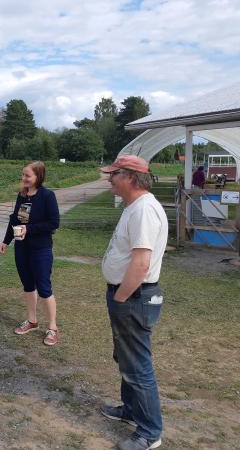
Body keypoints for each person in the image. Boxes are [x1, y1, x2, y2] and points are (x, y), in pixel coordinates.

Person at [100, 155, 168, 450]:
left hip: (133, 297)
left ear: (129, 177)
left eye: (113, 174)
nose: (109, 179)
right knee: (126, 358)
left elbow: (141, 263)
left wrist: (121, 297)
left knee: (137, 366)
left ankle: (150, 432)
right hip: (129, 296)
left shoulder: (144, 210)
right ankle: (131, 410)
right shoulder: (135, 206)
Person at [0, 161, 60, 346]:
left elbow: (54, 223)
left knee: (44, 288)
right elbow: (15, 220)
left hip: (41, 249)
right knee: (28, 286)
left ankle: (53, 328)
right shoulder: (22, 195)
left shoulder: (47, 196)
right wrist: (6, 240)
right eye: (23, 174)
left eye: (27, 175)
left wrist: (29, 229)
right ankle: (32, 321)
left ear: (38, 177)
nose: (23, 178)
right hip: (22, 248)